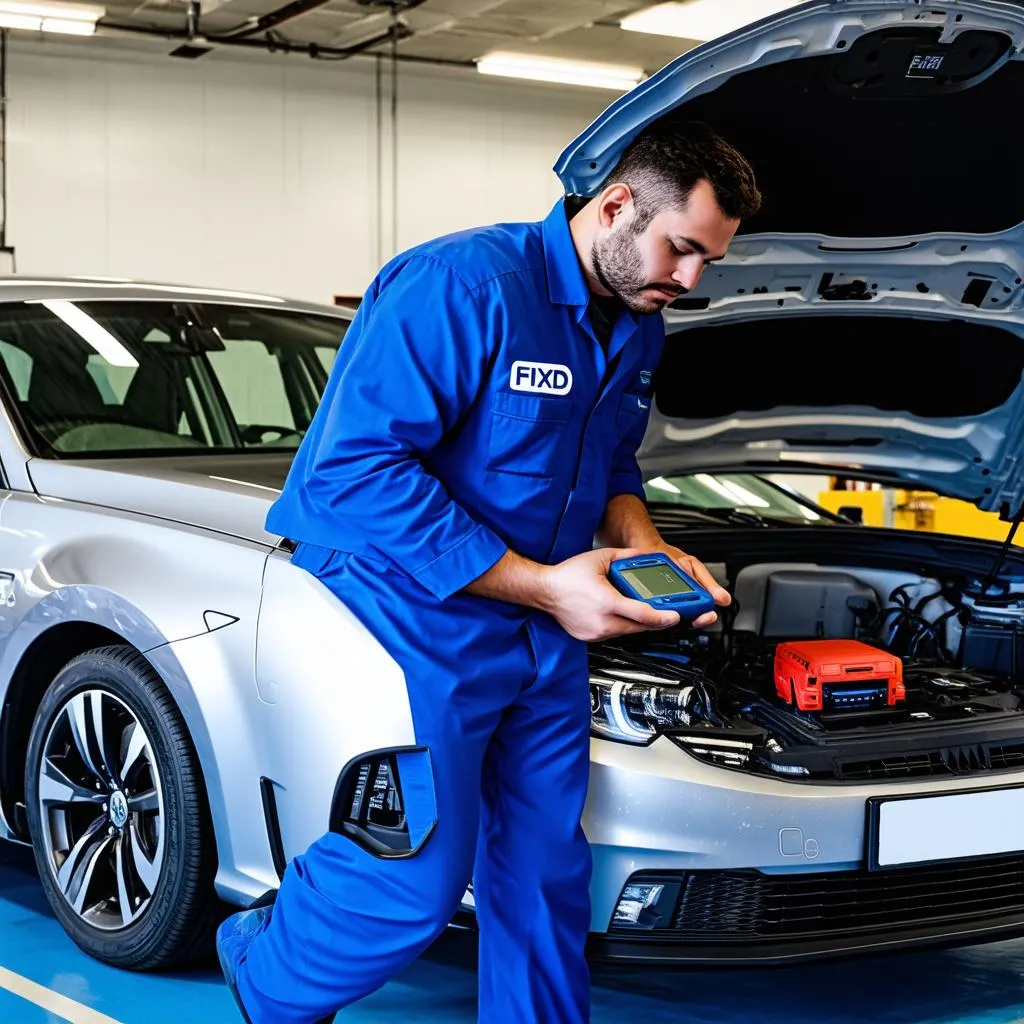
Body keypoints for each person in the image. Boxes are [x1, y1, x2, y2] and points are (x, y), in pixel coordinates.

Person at [217, 119, 761, 1024]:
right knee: (413, 881)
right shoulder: (460, 286)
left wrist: (643, 545)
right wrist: (549, 586)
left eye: (709, 260)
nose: (692, 280)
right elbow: (353, 473)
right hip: (406, 618)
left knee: (545, 872)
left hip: (544, 626)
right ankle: (265, 974)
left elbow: (612, 466)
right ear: (618, 205)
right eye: (682, 249)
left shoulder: (637, 324)